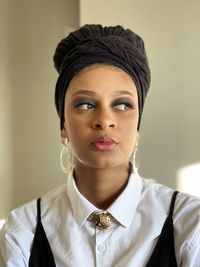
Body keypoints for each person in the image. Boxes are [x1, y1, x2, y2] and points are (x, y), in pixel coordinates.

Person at [0, 24, 199, 267]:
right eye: (85, 104)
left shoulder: (190, 224)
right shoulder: (22, 231)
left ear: (138, 127)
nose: (104, 120)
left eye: (123, 105)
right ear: (63, 126)